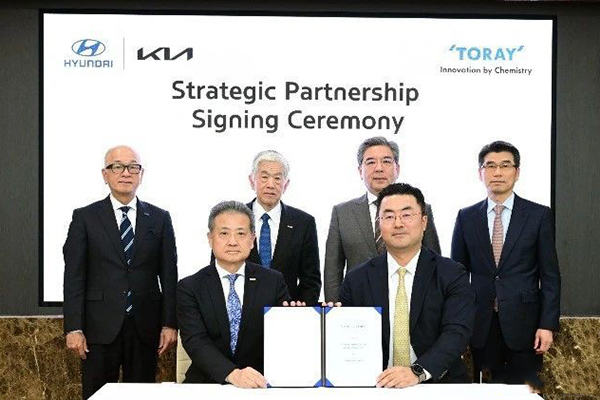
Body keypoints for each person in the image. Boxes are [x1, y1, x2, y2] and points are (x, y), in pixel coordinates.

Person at [63, 145, 178, 399]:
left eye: (133, 167)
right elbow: (74, 277)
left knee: (142, 396)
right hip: (98, 329)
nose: (126, 173)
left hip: (145, 327)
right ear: (105, 174)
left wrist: (170, 323)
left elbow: (169, 275)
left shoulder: (159, 218)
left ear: (141, 174)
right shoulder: (85, 217)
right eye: (117, 166)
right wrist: (73, 327)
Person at [339, 183, 474, 387]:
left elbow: (457, 333)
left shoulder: (452, 274)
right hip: (377, 385)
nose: (398, 223)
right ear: (379, 224)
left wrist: (417, 372)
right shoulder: (356, 279)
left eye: (406, 215)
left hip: (437, 384)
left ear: (424, 221)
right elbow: (347, 338)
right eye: (389, 216)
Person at [451, 141, 561, 386]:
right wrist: (457, 324)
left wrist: (547, 325)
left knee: (524, 392)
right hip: (480, 325)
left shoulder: (538, 215)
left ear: (517, 172)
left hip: (525, 325)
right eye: (490, 166)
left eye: (505, 165)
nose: (497, 172)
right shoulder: (466, 217)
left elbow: (550, 275)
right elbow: (457, 276)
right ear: (480, 173)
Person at [178, 201, 291, 387]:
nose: (232, 242)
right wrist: (232, 374)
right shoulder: (190, 287)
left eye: (241, 233)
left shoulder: (273, 282)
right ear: (210, 239)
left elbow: (283, 337)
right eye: (224, 233)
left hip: (259, 383)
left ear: (252, 239)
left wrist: (297, 317)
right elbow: (195, 341)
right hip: (208, 383)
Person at [324, 136, 441, 302]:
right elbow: (332, 271)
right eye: (371, 162)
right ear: (360, 171)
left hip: (409, 302)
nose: (379, 168)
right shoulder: (342, 213)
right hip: (359, 305)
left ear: (397, 168)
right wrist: (335, 310)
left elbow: (434, 263)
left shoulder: (420, 209)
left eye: (386, 161)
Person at [246, 150, 321, 304]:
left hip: (287, 311)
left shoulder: (303, 223)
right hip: (242, 311)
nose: (270, 185)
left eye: (277, 178)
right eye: (264, 177)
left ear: (286, 184)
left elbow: (311, 279)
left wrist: (299, 310)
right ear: (252, 181)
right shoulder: (233, 218)